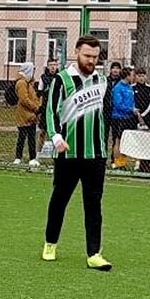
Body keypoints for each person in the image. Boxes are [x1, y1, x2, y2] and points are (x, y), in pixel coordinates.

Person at [42, 36, 112, 270]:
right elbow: (51, 111)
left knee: (94, 204)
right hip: (68, 154)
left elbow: (106, 115)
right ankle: (50, 242)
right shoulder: (61, 80)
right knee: (60, 200)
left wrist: (108, 144)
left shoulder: (102, 80)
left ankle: (94, 253)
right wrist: (56, 137)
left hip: (96, 154)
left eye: (95, 57)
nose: (91, 60)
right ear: (76, 53)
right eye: (87, 56)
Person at [108, 67, 139, 168]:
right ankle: (117, 162)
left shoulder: (129, 87)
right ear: (127, 76)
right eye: (132, 75)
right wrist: (130, 109)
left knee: (124, 141)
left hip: (128, 117)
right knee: (118, 139)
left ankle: (122, 162)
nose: (133, 77)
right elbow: (118, 104)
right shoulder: (118, 88)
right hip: (119, 117)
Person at [12, 62, 42, 166]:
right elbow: (24, 99)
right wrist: (35, 107)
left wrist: (37, 106)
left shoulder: (29, 83)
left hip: (32, 115)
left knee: (31, 138)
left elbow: (34, 97)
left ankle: (32, 158)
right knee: (22, 137)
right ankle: (18, 157)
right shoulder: (22, 83)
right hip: (24, 114)